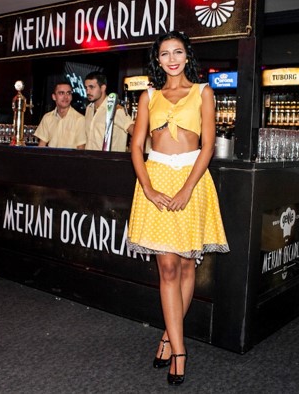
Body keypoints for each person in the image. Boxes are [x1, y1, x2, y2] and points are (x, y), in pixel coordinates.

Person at [126, 31, 229, 386]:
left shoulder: (203, 92)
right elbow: (136, 146)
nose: (172, 59)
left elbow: (208, 146)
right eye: (165, 53)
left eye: (178, 52)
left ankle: (168, 337)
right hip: (155, 179)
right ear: (157, 59)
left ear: (187, 56)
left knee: (187, 266)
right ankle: (180, 351)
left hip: (192, 180)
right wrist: (148, 188)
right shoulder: (149, 95)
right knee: (168, 267)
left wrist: (187, 188)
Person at [84, 71, 134, 151]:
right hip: (89, 158)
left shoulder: (116, 109)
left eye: (91, 87)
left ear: (103, 88)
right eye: (86, 88)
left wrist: (132, 154)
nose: (88, 92)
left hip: (110, 159)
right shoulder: (89, 109)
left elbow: (136, 133)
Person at [34, 81, 87, 149]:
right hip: (51, 155)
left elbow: (81, 148)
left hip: (71, 156)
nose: (66, 97)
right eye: (61, 93)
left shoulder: (79, 119)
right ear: (54, 97)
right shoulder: (47, 117)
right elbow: (41, 146)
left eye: (68, 93)